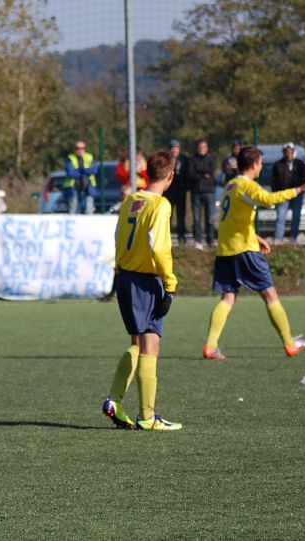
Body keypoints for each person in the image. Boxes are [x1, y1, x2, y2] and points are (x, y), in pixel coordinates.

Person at [203, 146, 305, 360]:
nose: (262, 167)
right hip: (244, 251)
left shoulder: (231, 185)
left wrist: (255, 236)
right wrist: (300, 189)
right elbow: (269, 200)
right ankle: (289, 343)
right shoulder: (247, 185)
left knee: (228, 297)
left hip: (226, 249)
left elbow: (229, 219)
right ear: (254, 164)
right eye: (261, 163)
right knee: (270, 294)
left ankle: (210, 345)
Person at [102, 151, 181, 431]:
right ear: (170, 176)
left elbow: (117, 239)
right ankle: (148, 416)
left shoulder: (130, 201)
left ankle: (114, 400)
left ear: (147, 173)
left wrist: (116, 275)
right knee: (151, 345)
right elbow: (159, 247)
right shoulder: (160, 205)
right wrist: (169, 285)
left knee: (139, 343)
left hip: (125, 278)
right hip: (145, 282)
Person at [271, 143, 305, 244]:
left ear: (293, 152)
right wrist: (276, 192)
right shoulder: (278, 165)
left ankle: (293, 238)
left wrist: (304, 188)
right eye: (287, 152)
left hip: (297, 194)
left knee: (296, 217)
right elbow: (273, 180)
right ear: (284, 152)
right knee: (281, 217)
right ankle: (278, 238)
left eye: (291, 152)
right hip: (283, 194)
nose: (289, 154)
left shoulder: (300, 164)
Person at [188, 139, 216, 249]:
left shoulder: (211, 159)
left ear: (207, 148)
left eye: (204, 147)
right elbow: (191, 174)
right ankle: (198, 241)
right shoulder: (192, 160)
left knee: (210, 218)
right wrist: (203, 174)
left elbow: (211, 170)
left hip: (209, 192)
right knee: (197, 218)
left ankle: (210, 240)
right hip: (196, 192)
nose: (202, 149)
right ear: (197, 148)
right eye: (200, 147)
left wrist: (199, 172)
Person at [163, 140, 190, 244]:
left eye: (176, 148)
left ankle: (181, 236)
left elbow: (188, 174)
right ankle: (166, 237)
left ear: (179, 149)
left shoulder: (184, 160)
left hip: (180, 191)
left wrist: (186, 187)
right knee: (167, 215)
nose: (174, 150)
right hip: (168, 191)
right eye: (172, 148)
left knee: (181, 214)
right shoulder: (165, 160)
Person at [64, 140, 98, 214]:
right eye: (77, 148)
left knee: (89, 209)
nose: (80, 150)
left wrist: (80, 170)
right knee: (73, 209)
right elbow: (70, 173)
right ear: (74, 149)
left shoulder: (89, 157)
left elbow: (94, 170)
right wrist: (85, 171)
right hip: (73, 188)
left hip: (88, 187)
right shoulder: (70, 158)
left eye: (82, 148)